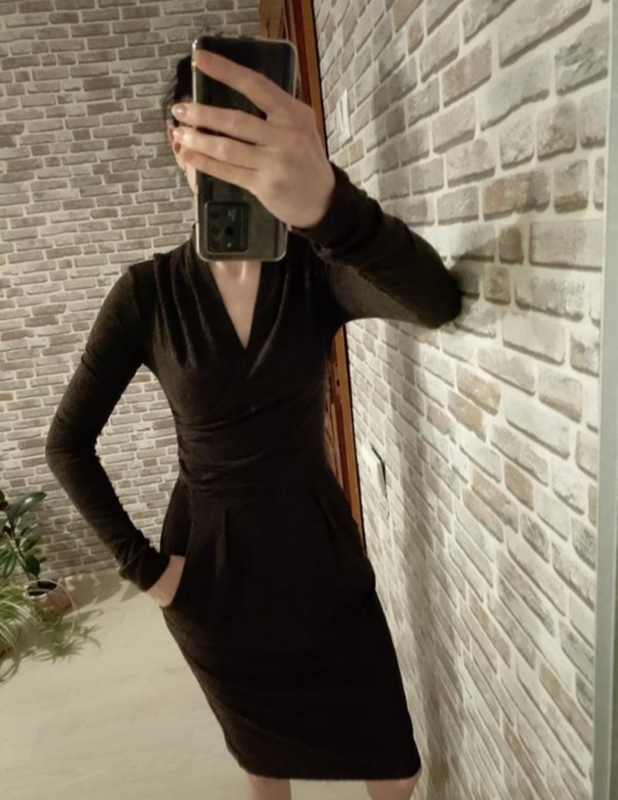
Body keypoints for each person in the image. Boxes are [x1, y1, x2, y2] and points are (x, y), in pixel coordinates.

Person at [44, 47, 462, 800]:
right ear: (179, 140)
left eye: (254, 130)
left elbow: (435, 301)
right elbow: (66, 444)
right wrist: (148, 572)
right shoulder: (146, 294)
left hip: (322, 563)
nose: (235, 152)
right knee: (265, 769)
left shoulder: (316, 269)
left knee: (396, 769)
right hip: (210, 579)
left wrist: (331, 207)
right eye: (214, 130)